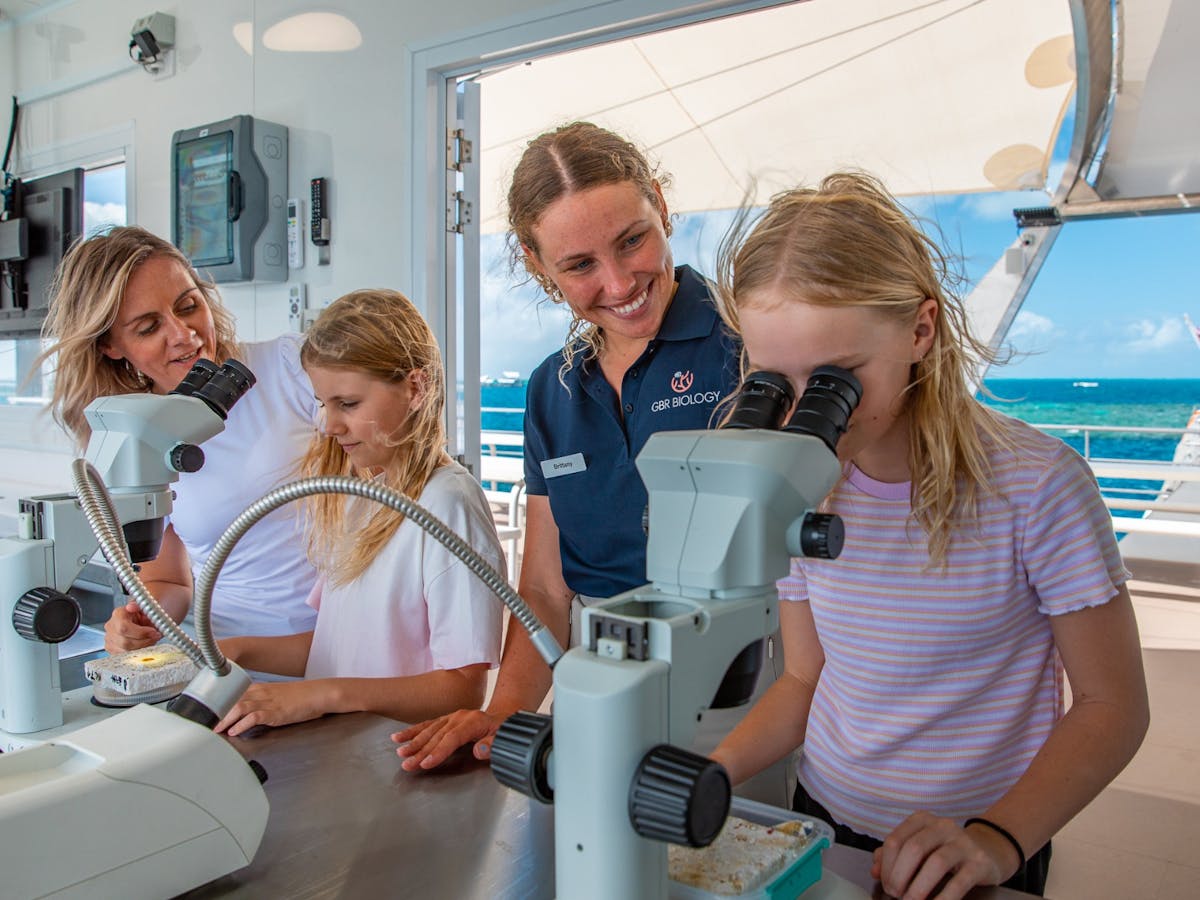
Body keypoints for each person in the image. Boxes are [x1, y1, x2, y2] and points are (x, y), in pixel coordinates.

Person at [705, 173, 1149, 898]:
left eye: (835, 380)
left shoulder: (1039, 487)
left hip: (977, 842)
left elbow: (1113, 706)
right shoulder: (794, 486)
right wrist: (713, 773)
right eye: (775, 382)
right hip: (823, 821)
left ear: (921, 329)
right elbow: (804, 678)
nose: (806, 417)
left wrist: (997, 840)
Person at [393, 122, 740, 769]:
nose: (618, 283)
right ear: (534, 260)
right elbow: (549, 592)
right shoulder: (552, 392)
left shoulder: (748, 346)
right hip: (601, 692)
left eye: (632, 240)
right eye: (579, 265)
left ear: (661, 207)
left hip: (740, 687)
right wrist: (499, 721)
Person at [214, 289, 504, 735]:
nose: (329, 426)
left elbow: (462, 689)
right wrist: (238, 650)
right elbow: (336, 645)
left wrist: (324, 695)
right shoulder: (362, 493)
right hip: (341, 755)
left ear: (415, 387)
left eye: (347, 404)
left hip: (391, 759)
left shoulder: (447, 504)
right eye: (322, 403)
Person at [39, 225, 320, 651]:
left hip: (344, 650)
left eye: (188, 306)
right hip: (233, 660)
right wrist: (140, 618)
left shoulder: (288, 367)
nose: (183, 334)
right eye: (149, 327)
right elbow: (169, 579)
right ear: (111, 346)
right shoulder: (133, 433)